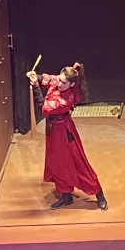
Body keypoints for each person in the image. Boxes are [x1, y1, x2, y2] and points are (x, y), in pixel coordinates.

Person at [28, 62, 106, 210]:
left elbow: (43, 108)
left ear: (71, 85)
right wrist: (35, 76)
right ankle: (66, 195)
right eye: (60, 79)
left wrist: (36, 87)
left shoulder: (66, 99)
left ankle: (99, 193)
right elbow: (47, 78)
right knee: (57, 163)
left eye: (64, 82)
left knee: (78, 163)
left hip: (64, 132)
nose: (59, 83)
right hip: (53, 131)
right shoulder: (59, 81)